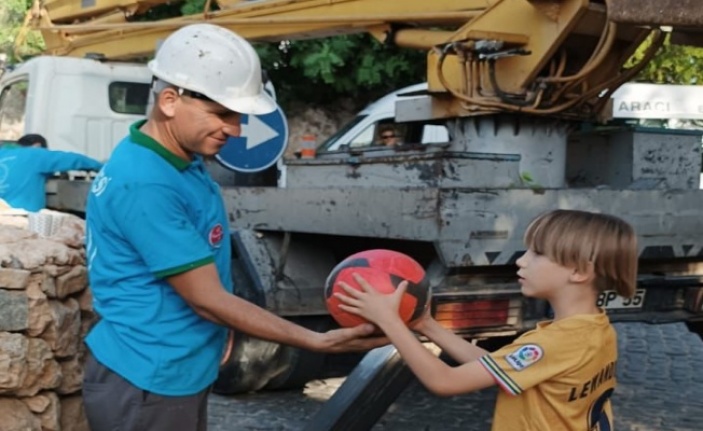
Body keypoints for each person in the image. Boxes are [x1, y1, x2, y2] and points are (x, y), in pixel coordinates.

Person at [82, 23, 385, 431]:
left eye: (238, 115)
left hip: (168, 370)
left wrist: (214, 335)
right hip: (149, 379)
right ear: (170, 100)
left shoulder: (176, 159)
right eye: (222, 114)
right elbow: (206, 298)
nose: (236, 128)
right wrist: (315, 339)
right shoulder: (146, 181)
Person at [336, 209, 638, 430]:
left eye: (537, 254)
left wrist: (390, 321)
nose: (521, 260)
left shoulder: (553, 343)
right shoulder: (594, 329)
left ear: (580, 272)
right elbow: (498, 367)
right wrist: (425, 325)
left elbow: (445, 381)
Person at [0, 133, 102, 211]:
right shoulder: (36, 155)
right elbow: (75, 160)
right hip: (20, 217)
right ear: (37, 146)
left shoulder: (3, 153)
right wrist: (102, 167)